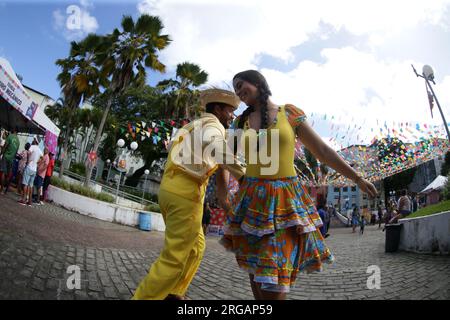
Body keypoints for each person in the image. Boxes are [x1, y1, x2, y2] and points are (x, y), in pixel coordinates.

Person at [220, 70, 377, 300]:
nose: (239, 92)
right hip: (251, 202)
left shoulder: (289, 113)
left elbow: (322, 151)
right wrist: (224, 194)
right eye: (235, 89)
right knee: (256, 272)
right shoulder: (240, 122)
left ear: (258, 82)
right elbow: (224, 159)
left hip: (285, 202)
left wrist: (357, 178)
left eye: (242, 85)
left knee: (275, 278)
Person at [132, 89, 246, 300]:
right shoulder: (213, 127)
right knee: (174, 258)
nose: (232, 116)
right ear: (218, 109)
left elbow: (221, 169)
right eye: (230, 111)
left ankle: (174, 293)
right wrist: (245, 178)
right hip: (185, 194)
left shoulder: (192, 125)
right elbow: (219, 151)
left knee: (196, 247)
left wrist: (226, 202)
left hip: (171, 190)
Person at [19, 138, 42, 206]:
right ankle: (30, 201)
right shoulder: (39, 149)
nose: (33, 140)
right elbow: (42, 158)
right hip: (34, 169)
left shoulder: (32, 146)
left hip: (29, 167)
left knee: (25, 184)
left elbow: (28, 153)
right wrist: (37, 163)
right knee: (30, 185)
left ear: (35, 140)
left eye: (34, 139)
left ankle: (24, 200)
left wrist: (29, 160)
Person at [0, 127, 20, 194]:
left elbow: (5, 146)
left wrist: (1, 153)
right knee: (8, 175)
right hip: (11, 159)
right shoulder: (18, 141)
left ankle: (2, 189)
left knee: (3, 172)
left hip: (5, 157)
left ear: (14, 130)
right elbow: (16, 152)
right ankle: (5, 190)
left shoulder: (10, 136)